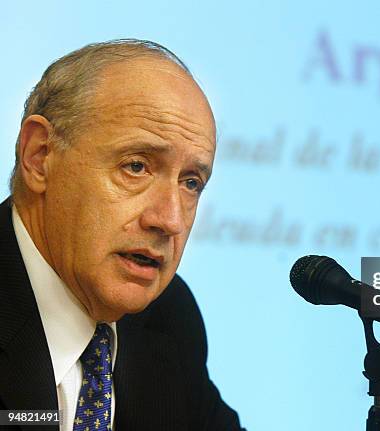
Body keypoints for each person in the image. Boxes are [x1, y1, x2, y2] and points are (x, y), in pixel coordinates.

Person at [0, 39, 245, 430]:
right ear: (40, 156)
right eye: (136, 166)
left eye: (191, 183)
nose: (170, 220)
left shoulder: (168, 318)